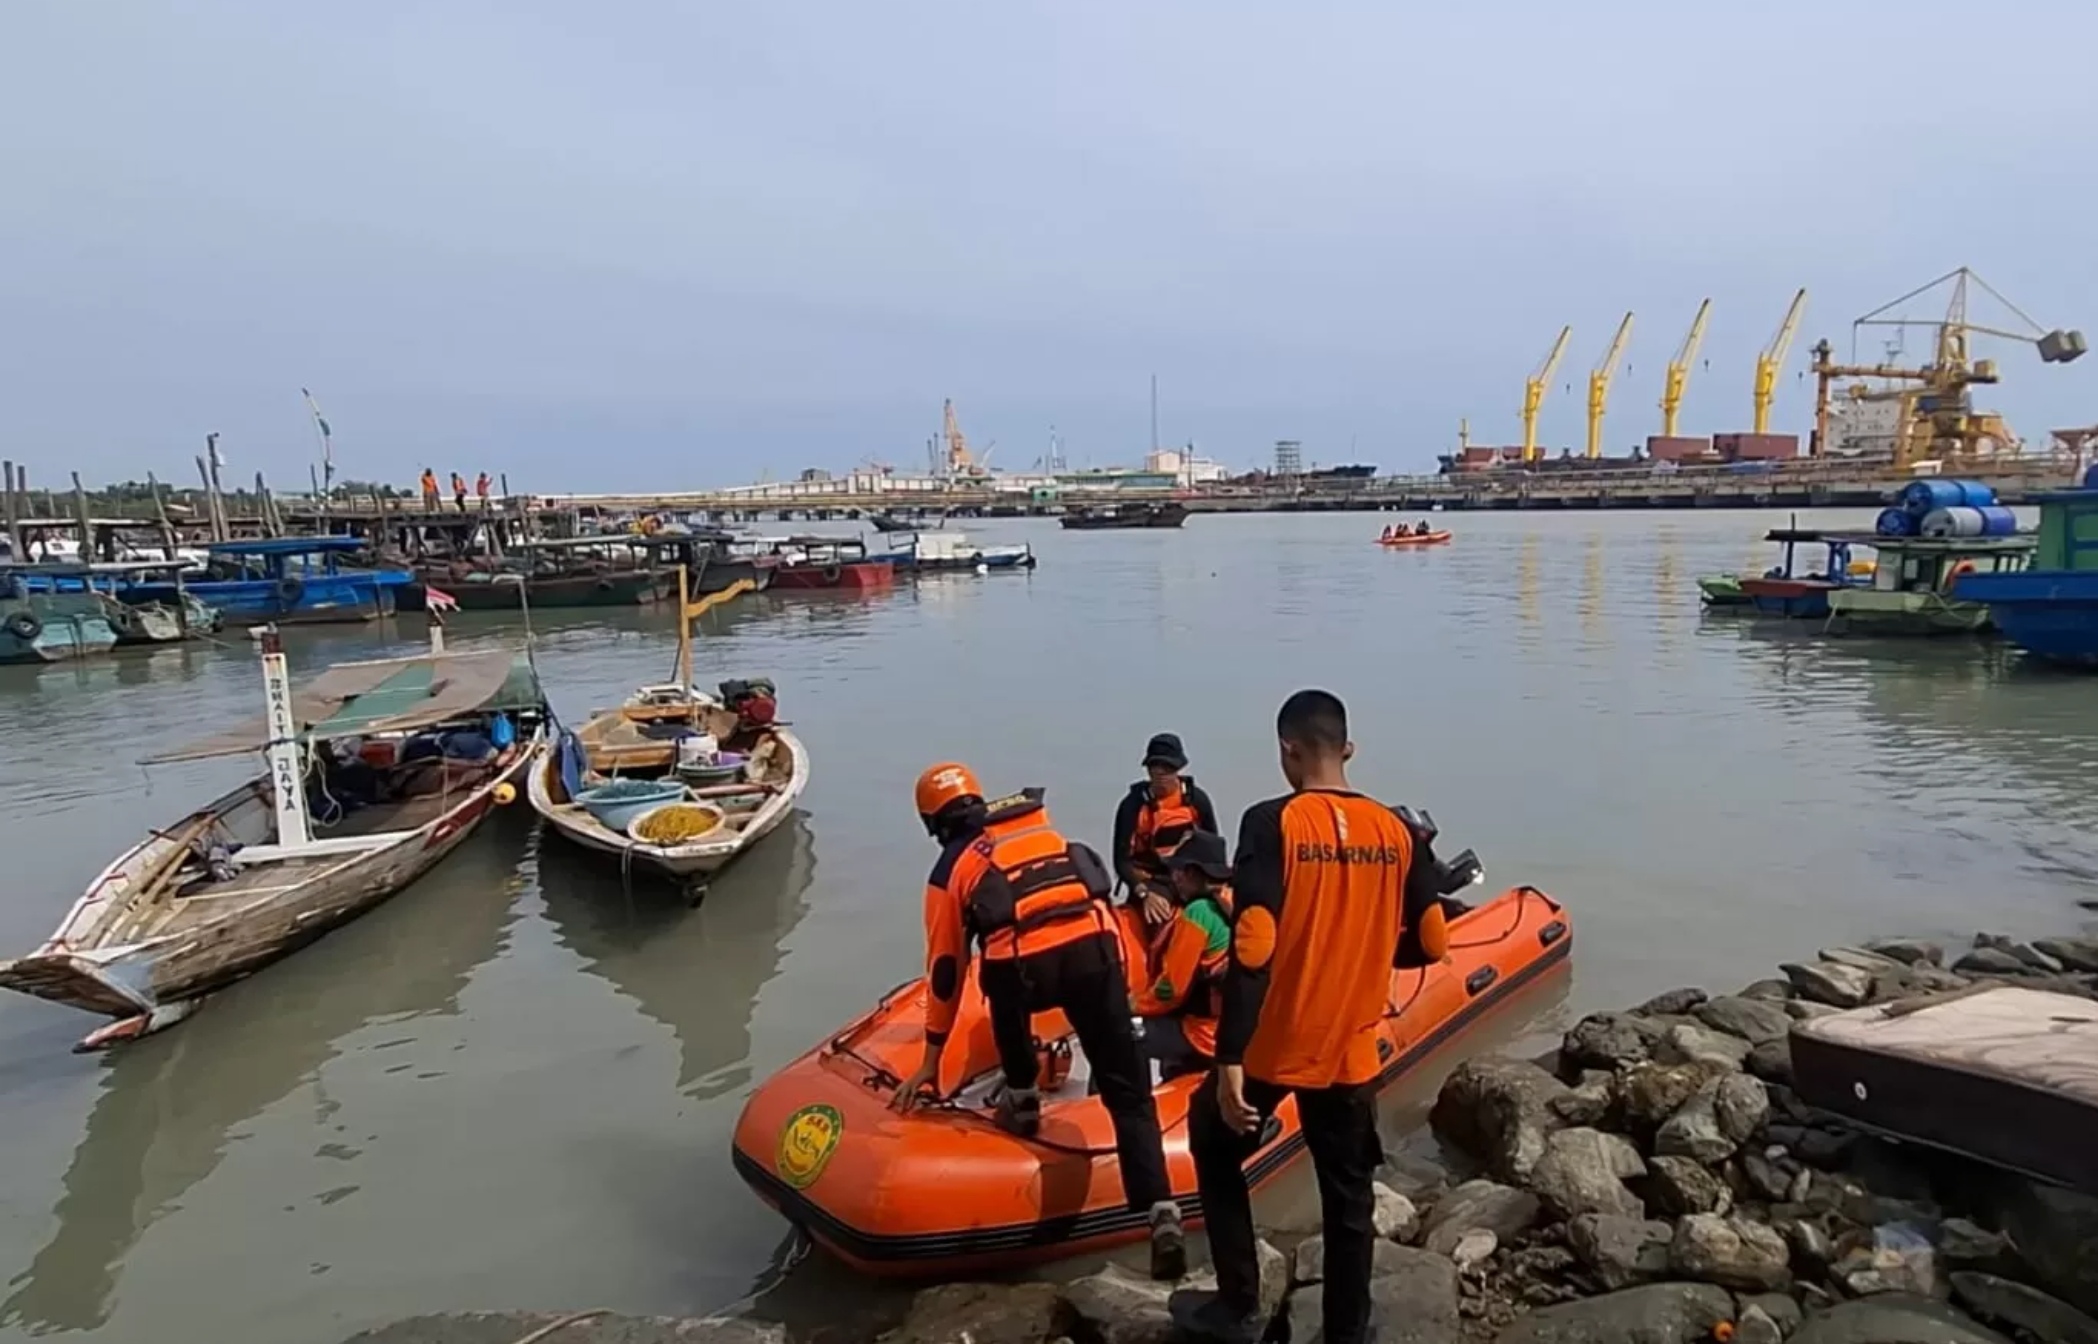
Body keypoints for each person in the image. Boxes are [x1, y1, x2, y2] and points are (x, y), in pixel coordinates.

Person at [1181, 691, 1452, 1344]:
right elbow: (1434, 941)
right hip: (1351, 1048)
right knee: (1348, 1195)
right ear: (1349, 750)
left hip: (1276, 1042)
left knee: (1214, 1145)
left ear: (1287, 751)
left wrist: (1228, 1061)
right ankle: (1346, 1330)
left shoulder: (1270, 823)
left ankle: (1239, 1302)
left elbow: (1253, 948)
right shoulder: (1399, 833)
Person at [893, 762, 1186, 1280]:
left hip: (1025, 969)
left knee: (1002, 990)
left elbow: (946, 970)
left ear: (931, 822)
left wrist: (932, 1058)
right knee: (1129, 1093)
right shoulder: (1034, 830)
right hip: (1098, 952)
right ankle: (1162, 1210)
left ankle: (1024, 1098)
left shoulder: (950, 870)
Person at [1133, 829, 1234, 1080]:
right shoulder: (1236, 906)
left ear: (1192, 873)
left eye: (1178, 871)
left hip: (1202, 1035)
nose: (1174, 878)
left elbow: (1171, 991)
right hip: (1234, 1033)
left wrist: (1132, 1005)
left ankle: (1117, 1113)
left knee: (1115, 1034)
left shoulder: (1197, 913)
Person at [1111, 733, 1220, 930]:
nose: (1161, 775)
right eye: (1155, 768)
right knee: (1157, 915)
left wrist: (1216, 886)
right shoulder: (1132, 806)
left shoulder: (1197, 800)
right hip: (1153, 880)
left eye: (1167, 769)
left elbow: (1214, 848)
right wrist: (1143, 893)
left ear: (1178, 769)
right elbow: (1121, 861)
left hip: (1191, 877)